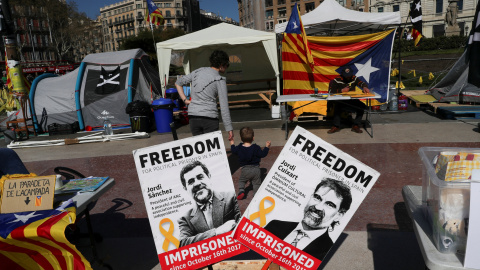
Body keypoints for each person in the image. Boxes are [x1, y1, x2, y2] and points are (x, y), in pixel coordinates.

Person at [264, 178, 352, 261]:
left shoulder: (329, 253)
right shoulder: (275, 225)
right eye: (317, 198)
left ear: (339, 215)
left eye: (329, 204)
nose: (318, 206)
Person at [177, 160, 241, 247]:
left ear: (209, 177)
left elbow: (243, 226)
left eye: (200, 177)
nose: (196, 184)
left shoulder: (232, 197)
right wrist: (216, 232)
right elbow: (183, 244)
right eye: (191, 181)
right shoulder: (185, 219)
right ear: (185, 188)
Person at [175, 50, 234, 141]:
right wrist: (229, 128)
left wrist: (185, 100)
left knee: (201, 151)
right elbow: (224, 106)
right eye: (227, 65)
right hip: (209, 118)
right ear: (222, 64)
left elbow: (178, 83)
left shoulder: (197, 71)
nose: (226, 67)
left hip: (193, 116)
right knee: (212, 151)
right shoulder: (219, 80)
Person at [230, 127, 271, 200]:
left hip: (245, 170)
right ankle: (256, 195)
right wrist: (267, 147)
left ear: (240, 138)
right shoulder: (256, 147)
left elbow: (233, 151)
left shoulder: (239, 148)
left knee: (242, 180)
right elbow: (263, 154)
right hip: (256, 170)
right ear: (253, 138)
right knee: (256, 183)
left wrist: (232, 142)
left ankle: (241, 191)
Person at [327, 66, 370, 134]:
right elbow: (330, 91)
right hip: (340, 100)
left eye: (349, 75)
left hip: (351, 99)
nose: (348, 77)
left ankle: (356, 125)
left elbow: (361, 83)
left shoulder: (353, 78)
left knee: (362, 106)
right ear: (342, 74)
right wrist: (341, 90)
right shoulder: (337, 79)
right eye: (346, 76)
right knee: (337, 107)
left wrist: (364, 87)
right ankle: (336, 126)